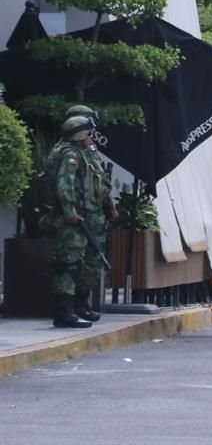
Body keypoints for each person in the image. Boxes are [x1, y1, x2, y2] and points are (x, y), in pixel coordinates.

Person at [47, 115, 117, 328]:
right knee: (68, 265)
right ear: (80, 134)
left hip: (83, 217)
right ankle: (64, 313)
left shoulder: (82, 153)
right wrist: (70, 213)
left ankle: (74, 308)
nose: (91, 136)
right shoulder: (71, 155)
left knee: (79, 263)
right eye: (88, 132)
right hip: (73, 219)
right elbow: (64, 186)